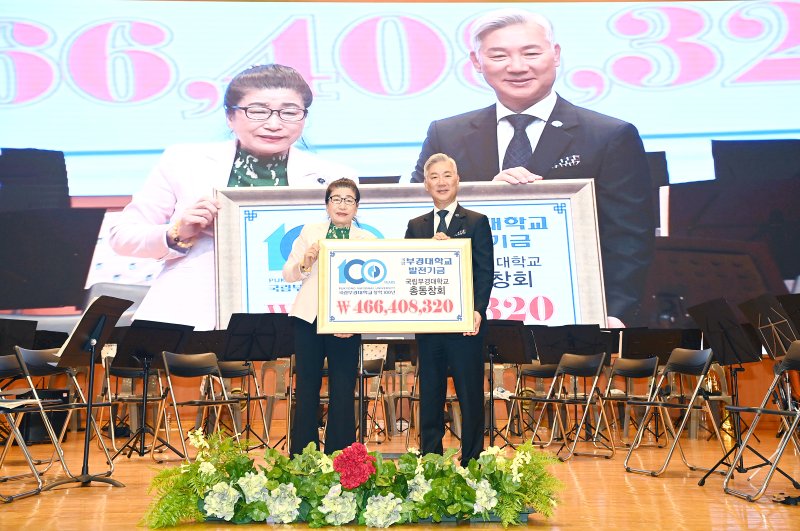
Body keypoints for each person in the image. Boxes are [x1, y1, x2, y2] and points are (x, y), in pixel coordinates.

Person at [412, 9, 654, 327]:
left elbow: (629, 239)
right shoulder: (447, 134)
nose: (517, 67)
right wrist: (483, 195)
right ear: (476, 62)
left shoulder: (609, 135)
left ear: (554, 55)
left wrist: (614, 312)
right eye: (499, 55)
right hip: (467, 312)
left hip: (576, 316)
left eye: (531, 53)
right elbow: (417, 222)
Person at [109, 64, 356, 330]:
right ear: (230, 116)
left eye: (289, 113)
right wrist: (177, 233)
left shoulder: (335, 177)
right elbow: (122, 237)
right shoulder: (183, 161)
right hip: (195, 312)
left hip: (297, 312)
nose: (274, 124)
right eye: (258, 112)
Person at [405, 153, 494, 466]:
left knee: (470, 394)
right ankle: (431, 460)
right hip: (429, 326)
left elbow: (485, 272)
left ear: (457, 180)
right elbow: (407, 272)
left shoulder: (475, 222)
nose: (441, 182)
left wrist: (477, 310)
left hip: (464, 326)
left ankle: (472, 458)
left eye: (447, 175)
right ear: (426, 184)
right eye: (434, 177)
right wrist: (429, 249)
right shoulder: (415, 227)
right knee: (430, 394)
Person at [283, 178, 376, 455]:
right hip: (309, 319)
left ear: (357, 207)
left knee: (343, 391)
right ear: (327, 204)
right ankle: (303, 456)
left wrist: (354, 322)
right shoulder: (311, 232)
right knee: (308, 388)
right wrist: (305, 262)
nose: (342, 205)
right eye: (336, 199)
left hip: (347, 324)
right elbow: (288, 274)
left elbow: (373, 288)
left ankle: (342, 456)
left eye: (349, 200)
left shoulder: (367, 240)